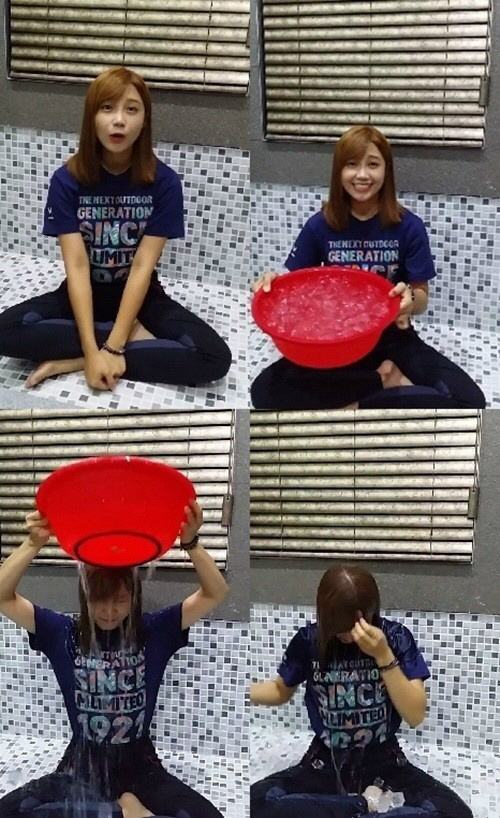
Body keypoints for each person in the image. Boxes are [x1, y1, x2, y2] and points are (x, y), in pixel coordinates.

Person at [0, 66, 231, 392]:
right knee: (5, 331)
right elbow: (77, 267)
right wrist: (95, 347)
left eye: (131, 109)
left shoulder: (164, 183)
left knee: (214, 357)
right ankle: (131, 340)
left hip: (141, 296)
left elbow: (141, 267)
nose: (119, 120)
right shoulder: (66, 181)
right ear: (91, 117)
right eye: (107, 108)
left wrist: (110, 350)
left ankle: (77, 359)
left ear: (144, 120)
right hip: (83, 292)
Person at [0, 499, 228, 818]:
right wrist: (33, 543)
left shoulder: (154, 632)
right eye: (99, 600)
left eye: (119, 600)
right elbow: (2, 595)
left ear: (133, 597)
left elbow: (216, 592)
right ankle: (123, 811)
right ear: (85, 597)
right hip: (81, 768)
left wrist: (190, 542)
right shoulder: (62, 633)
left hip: (140, 769)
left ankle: (116, 809)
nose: (109, 611)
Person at [251, 125, 485, 410]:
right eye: (352, 164)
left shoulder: (409, 227)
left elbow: (421, 297)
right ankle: (382, 381)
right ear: (339, 171)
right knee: (262, 392)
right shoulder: (320, 225)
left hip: (392, 337)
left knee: (469, 400)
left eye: (372, 164)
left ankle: (353, 399)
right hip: (337, 342)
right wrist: (273, 285)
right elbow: (296, 290)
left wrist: (409, 300)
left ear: (386, 171)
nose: (362, 175)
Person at [250, 564, 473, 818]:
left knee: (455, 813)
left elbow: (415, 715)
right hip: (326, 761)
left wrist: (383, 655)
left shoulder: (395, 637)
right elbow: (280, 690)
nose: (345, 634)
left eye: (352, 624)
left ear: (370, 611)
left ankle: (339, 811)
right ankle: (362, 807)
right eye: (336, 625)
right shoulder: (309, 640)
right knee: (256, 802)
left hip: (383, 760)